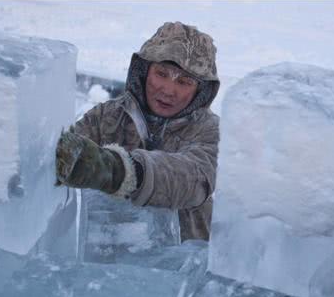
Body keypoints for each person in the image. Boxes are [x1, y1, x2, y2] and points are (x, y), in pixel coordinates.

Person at [55, 21, 220, 241]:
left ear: (200, 91)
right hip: (107, 259)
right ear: (144, 72)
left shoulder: (211, 131)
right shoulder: (106, 117)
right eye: (161, 74)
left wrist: (120, 170)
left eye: (184, 81)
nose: (168, 90)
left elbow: (193, 180)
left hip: (184, 266)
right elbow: (59, 155)